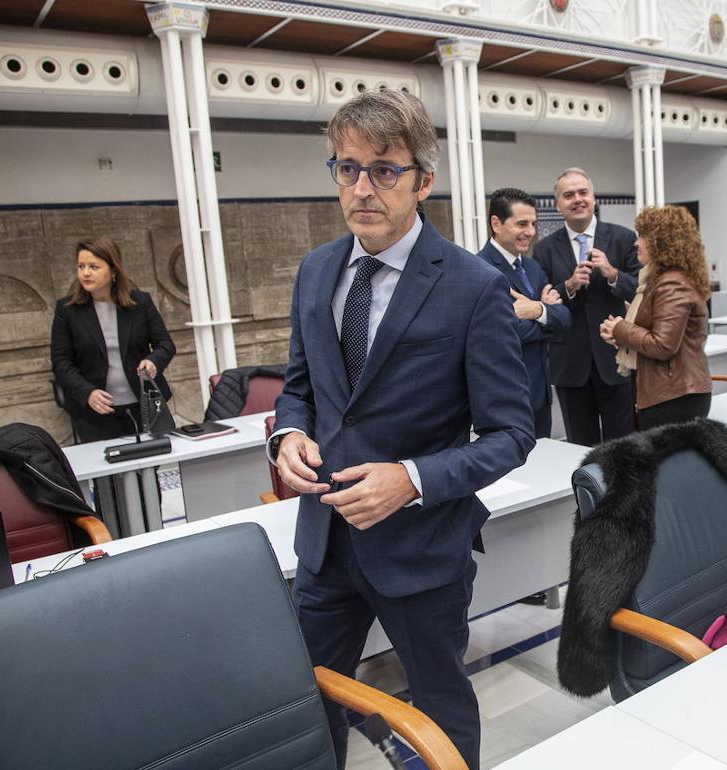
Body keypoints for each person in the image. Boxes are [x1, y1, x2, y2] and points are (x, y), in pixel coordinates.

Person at [269, 89, 534, 770]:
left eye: (384, 170)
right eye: (347, 168)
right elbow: (301, 388)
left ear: (423, 179)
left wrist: (411, 480)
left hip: (421, 549)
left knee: (440, 711)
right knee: (306, 704)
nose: (363, 188)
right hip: (325, 543)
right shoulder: (315, 271)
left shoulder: (473, 288)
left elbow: (511, 433)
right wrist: (287, 436)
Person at [533, 167, 641, 446]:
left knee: (624, 447)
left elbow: (644, 290)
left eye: (583, 192)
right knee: (580, 448)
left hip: (616, 358)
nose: (577, 199)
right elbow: (541, 299)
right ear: (558, 205)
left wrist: (613, 274)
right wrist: (568, 286)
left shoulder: (623, 238)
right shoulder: (544, 249)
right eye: (569, 195)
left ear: (594, 198)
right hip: (570, 363)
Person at [50, 237, 175, 443]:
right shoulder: (67, 311)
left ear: (114, 271)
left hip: (145, 406)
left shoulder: (140, 303)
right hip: (95, 414)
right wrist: (87, 392)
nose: (86, 273)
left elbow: (166, 345)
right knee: (110, 473)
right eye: (81, 266)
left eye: (94, 266)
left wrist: (153, 362)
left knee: (154, 468)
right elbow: (61, 362)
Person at [598, 205, 712, 430]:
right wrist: (620, 334)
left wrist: (621, 329)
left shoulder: (671, 283)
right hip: (672, 393)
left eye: (642, 236)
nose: (636, 243)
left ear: (662, 241)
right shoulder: (661, 280)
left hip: (674, 398)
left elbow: (662, 345)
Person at [476, 187, 571, 438]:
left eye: (533, 223)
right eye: (522, 224)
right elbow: (502, 333)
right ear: (496, 223)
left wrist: (536, 309)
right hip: (504, 398)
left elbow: (564, 319)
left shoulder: (531, 267)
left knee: (541, 469)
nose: (530, 232)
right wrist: (546, 316)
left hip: (540, 394)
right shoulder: (480, 270)